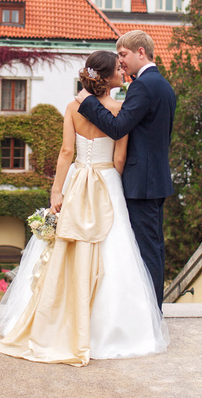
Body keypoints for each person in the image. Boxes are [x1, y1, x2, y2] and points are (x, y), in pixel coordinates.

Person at [0, 51, 169, 366]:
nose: (122, 71)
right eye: (118, 68)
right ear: (107, 77)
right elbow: (118, 160)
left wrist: (56, 189)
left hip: (76, 180)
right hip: (107, 181)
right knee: (116, 250)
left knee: (68, 251)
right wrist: (112, 182)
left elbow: (65, 151)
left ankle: (57, 322)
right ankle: (113, 331)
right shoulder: (120, 109)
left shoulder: (73, 107)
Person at [75, 30, 176, 308]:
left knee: (146, 252)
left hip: (141, 183)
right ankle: (152, 312)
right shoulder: (163, 85)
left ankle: (151, 315)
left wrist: (88, 102)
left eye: (123, 55)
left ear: (140, 52)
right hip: (154, 180)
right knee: (152, 249)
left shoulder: (142, 86)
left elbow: (119, 128)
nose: (120, 62)